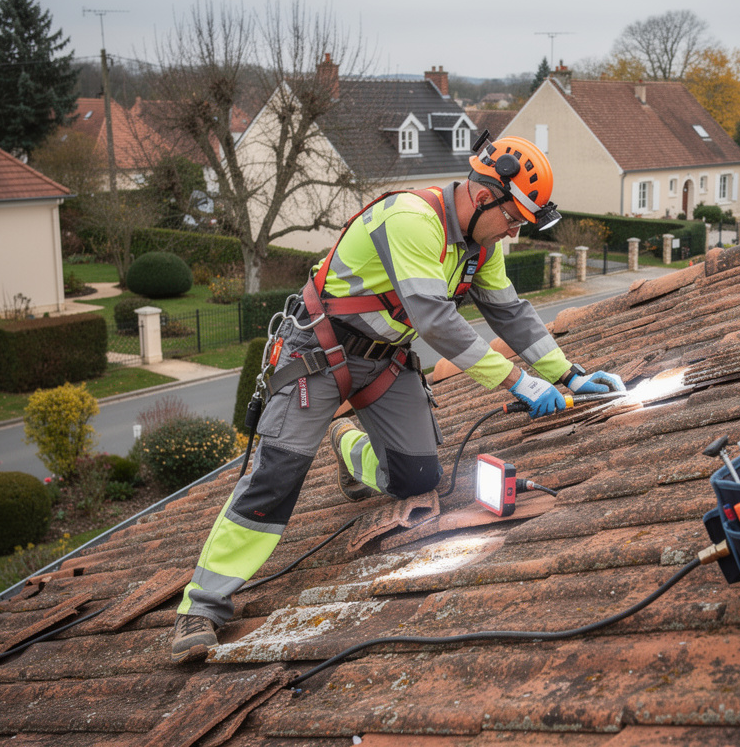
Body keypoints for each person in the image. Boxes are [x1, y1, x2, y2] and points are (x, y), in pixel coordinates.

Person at [171, 134, 625, 662]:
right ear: (483, 198)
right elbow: (435, 318)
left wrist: (567, 373)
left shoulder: (483, 247)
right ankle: (202, 605)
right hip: (317, 354)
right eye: (515, 218)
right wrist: (520, 383)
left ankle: (347, 444)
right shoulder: (412, 219)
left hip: (385, 362)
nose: (516, 230)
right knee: (276, 475)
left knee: (419, 480)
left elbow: (510, 312)